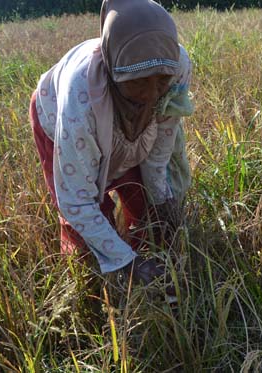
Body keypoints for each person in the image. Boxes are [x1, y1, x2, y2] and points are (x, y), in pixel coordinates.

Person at [29, 0, 193, 294]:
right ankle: (92, 282)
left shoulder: (176, 66)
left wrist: (163, 202)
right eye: (139, 83)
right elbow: (77, 201)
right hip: (58, 120)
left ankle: (141, 255)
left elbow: (158, 152)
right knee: (89, 218)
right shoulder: (80, 99)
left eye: (161, 83)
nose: (151, 96)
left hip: (114, 118)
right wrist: (130, 265)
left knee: (141, 197)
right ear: (114, 72)